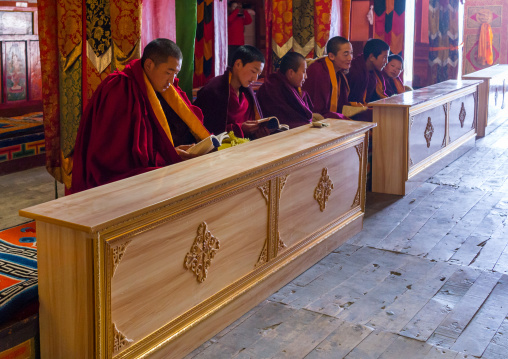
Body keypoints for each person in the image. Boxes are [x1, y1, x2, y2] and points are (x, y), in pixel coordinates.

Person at [71, 38, 211, 194]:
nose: (172, 81)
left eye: (175, 73)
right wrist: (169, 155)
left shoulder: (166, 89)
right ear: (149, 65)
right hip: (124, 183)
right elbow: (114, 156)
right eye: (168, 72)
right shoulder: (119, 88)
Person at [194, 45, 267, 139]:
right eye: (253, 71)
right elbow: (205, 131)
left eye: (258, 74)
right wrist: (240, 129)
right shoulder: (214, 90)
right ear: (238, 64)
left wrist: (258, 131)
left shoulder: (247, 92)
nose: (255, 78)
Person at [257, 52, 315, 128]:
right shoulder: (272, 88)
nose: (306, 76)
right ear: (291, 73)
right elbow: (283, 121)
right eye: (304, 72)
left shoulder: (293, 87)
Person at [302, 36, 352, 119]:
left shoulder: (339, 73)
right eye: (346, 54)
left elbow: (342, 105)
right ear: (332, 56)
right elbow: (318, 110)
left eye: (351, 53)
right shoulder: (318, 71)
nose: (350, 58)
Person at [347, 38, 390, 105]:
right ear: (372, 57)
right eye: (384, 57)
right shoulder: (356, 72)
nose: (386, 61)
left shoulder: (374, 71)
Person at [227, 1, 253, 66]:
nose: (236, 8)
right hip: (231, 43)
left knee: (239, 61)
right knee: (231, 61)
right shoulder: (228, 17)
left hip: (240, 43)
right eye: (234, 7)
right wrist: (236, 10)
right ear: (229, 8)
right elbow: (229, 20)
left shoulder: (240, 18)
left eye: (237, 7)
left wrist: (244, 11)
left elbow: (249, 21)